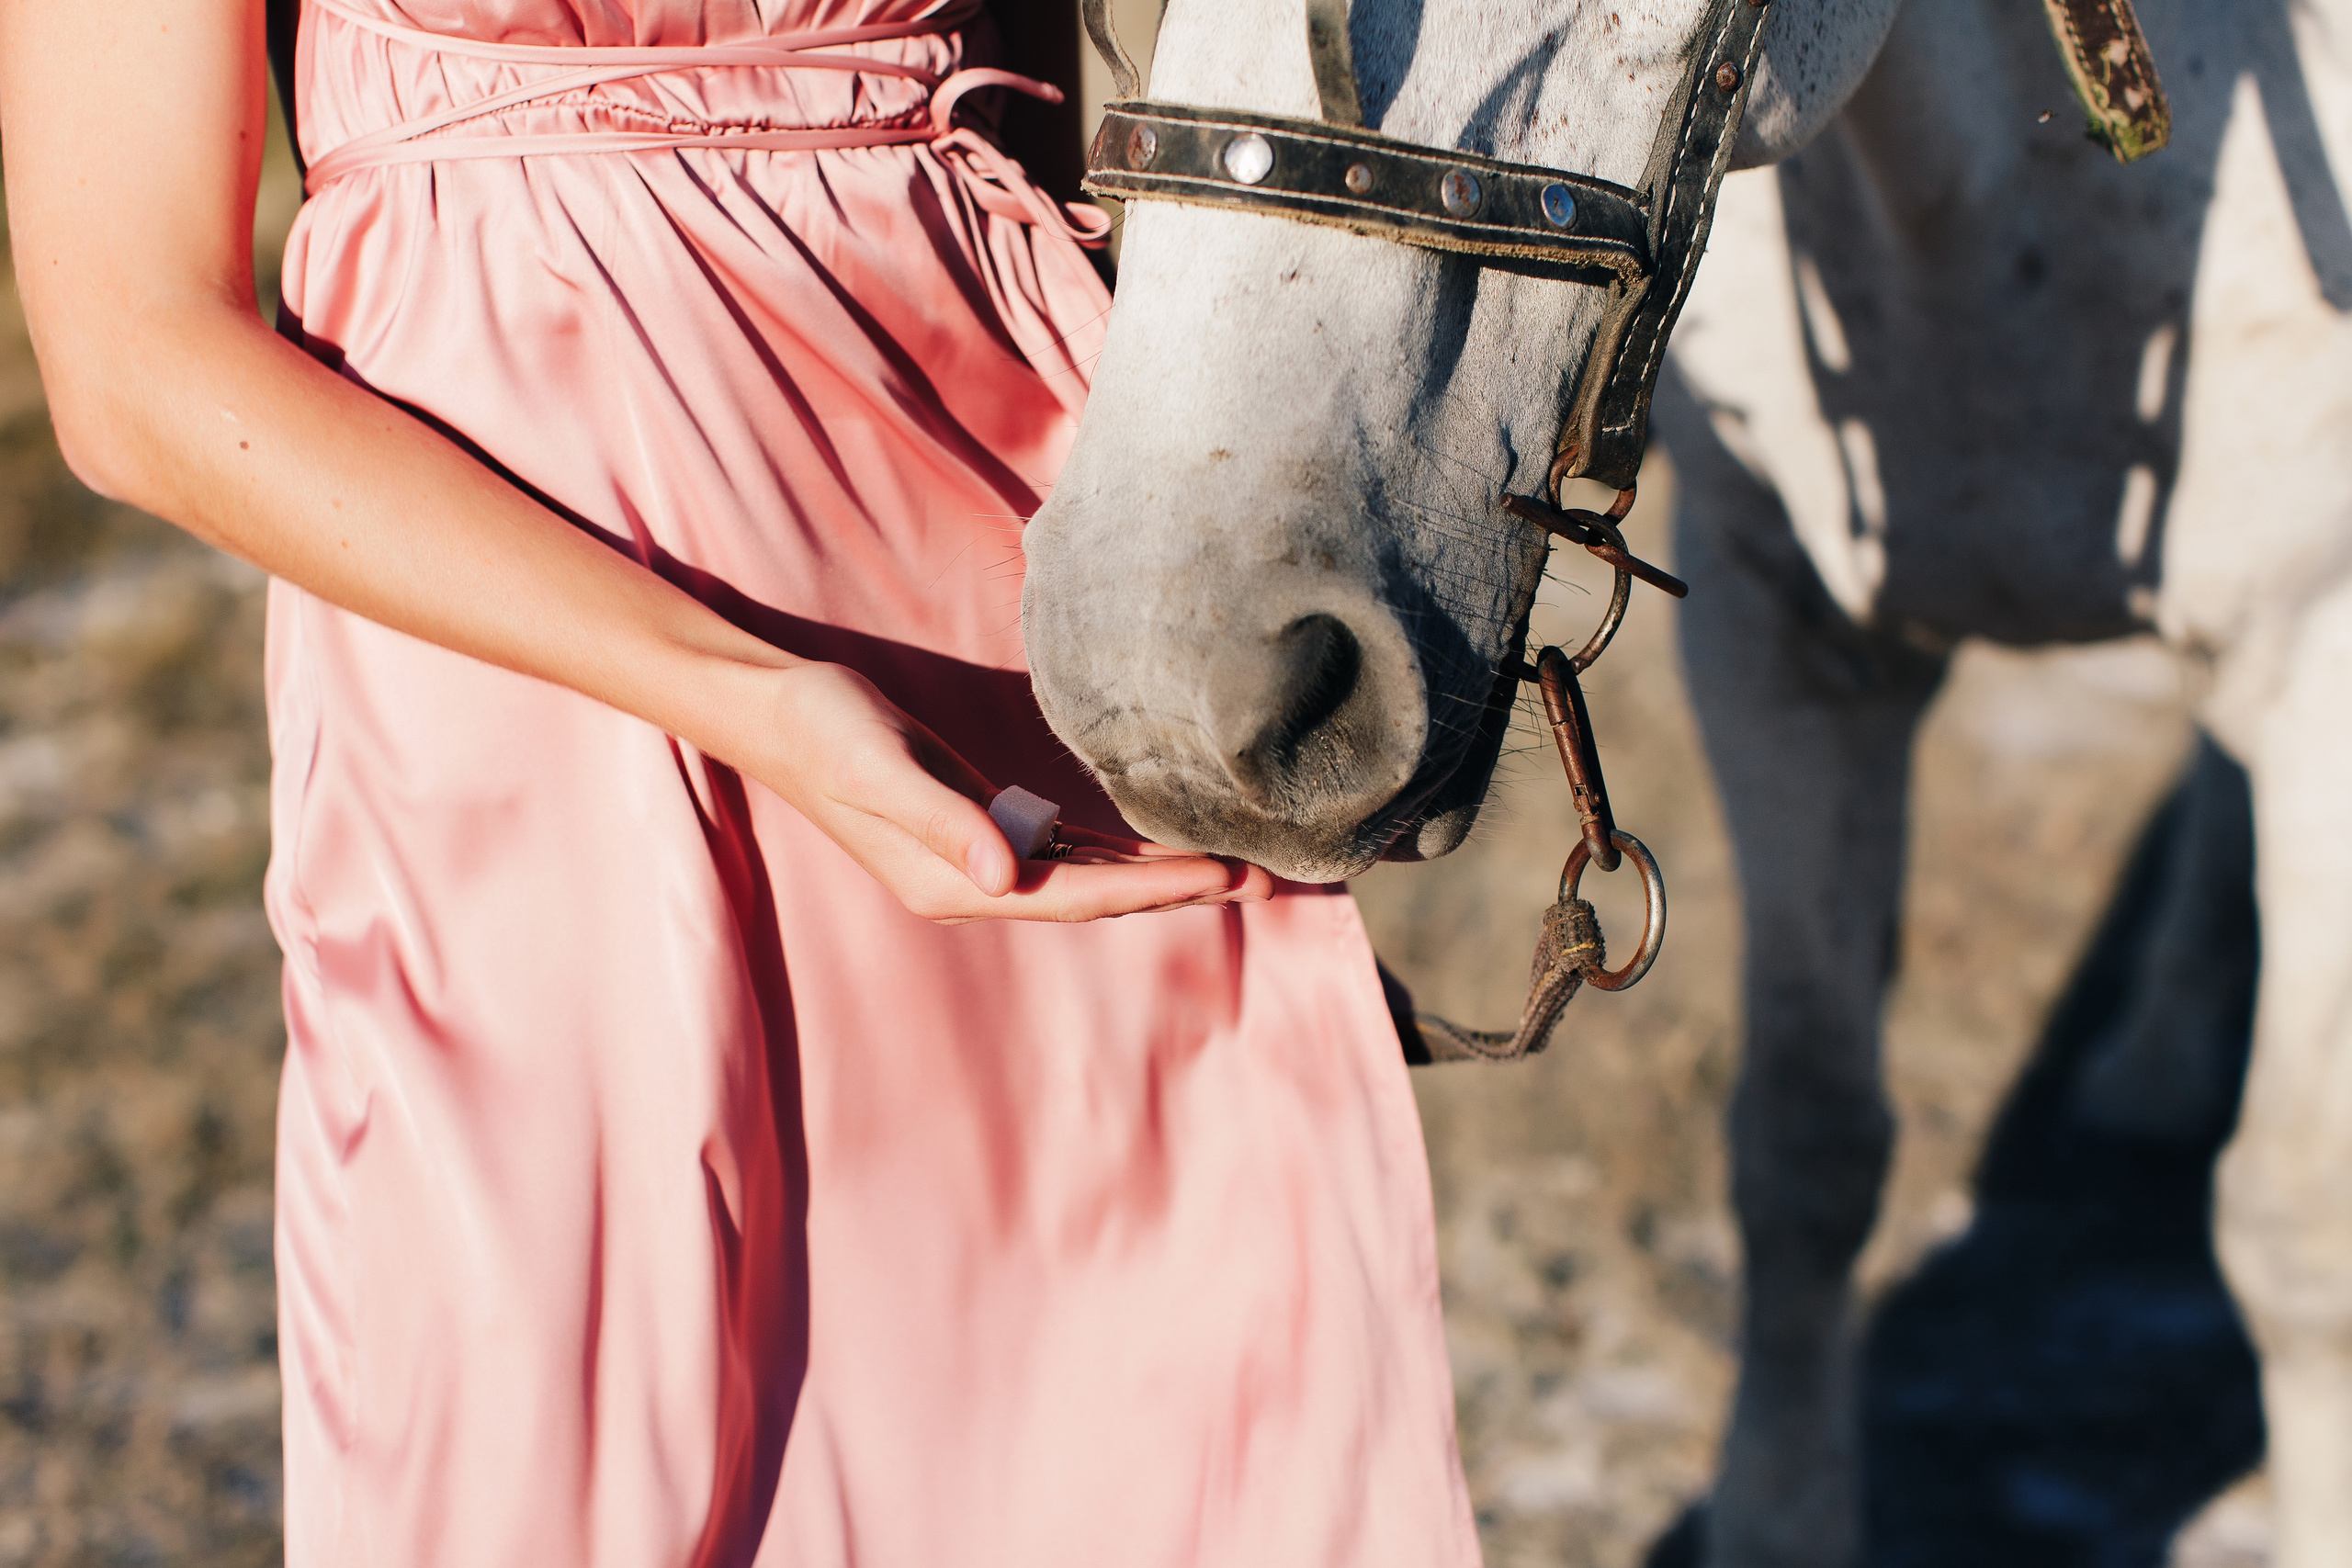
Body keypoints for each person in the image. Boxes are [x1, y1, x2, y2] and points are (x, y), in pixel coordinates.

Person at [0, 0, 1477, 1561]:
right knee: (545, 1450)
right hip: (528, 699)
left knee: (1108, 1424)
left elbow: (1035, 103)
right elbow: (130, 359)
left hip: (986, 601)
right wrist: (753, 700)